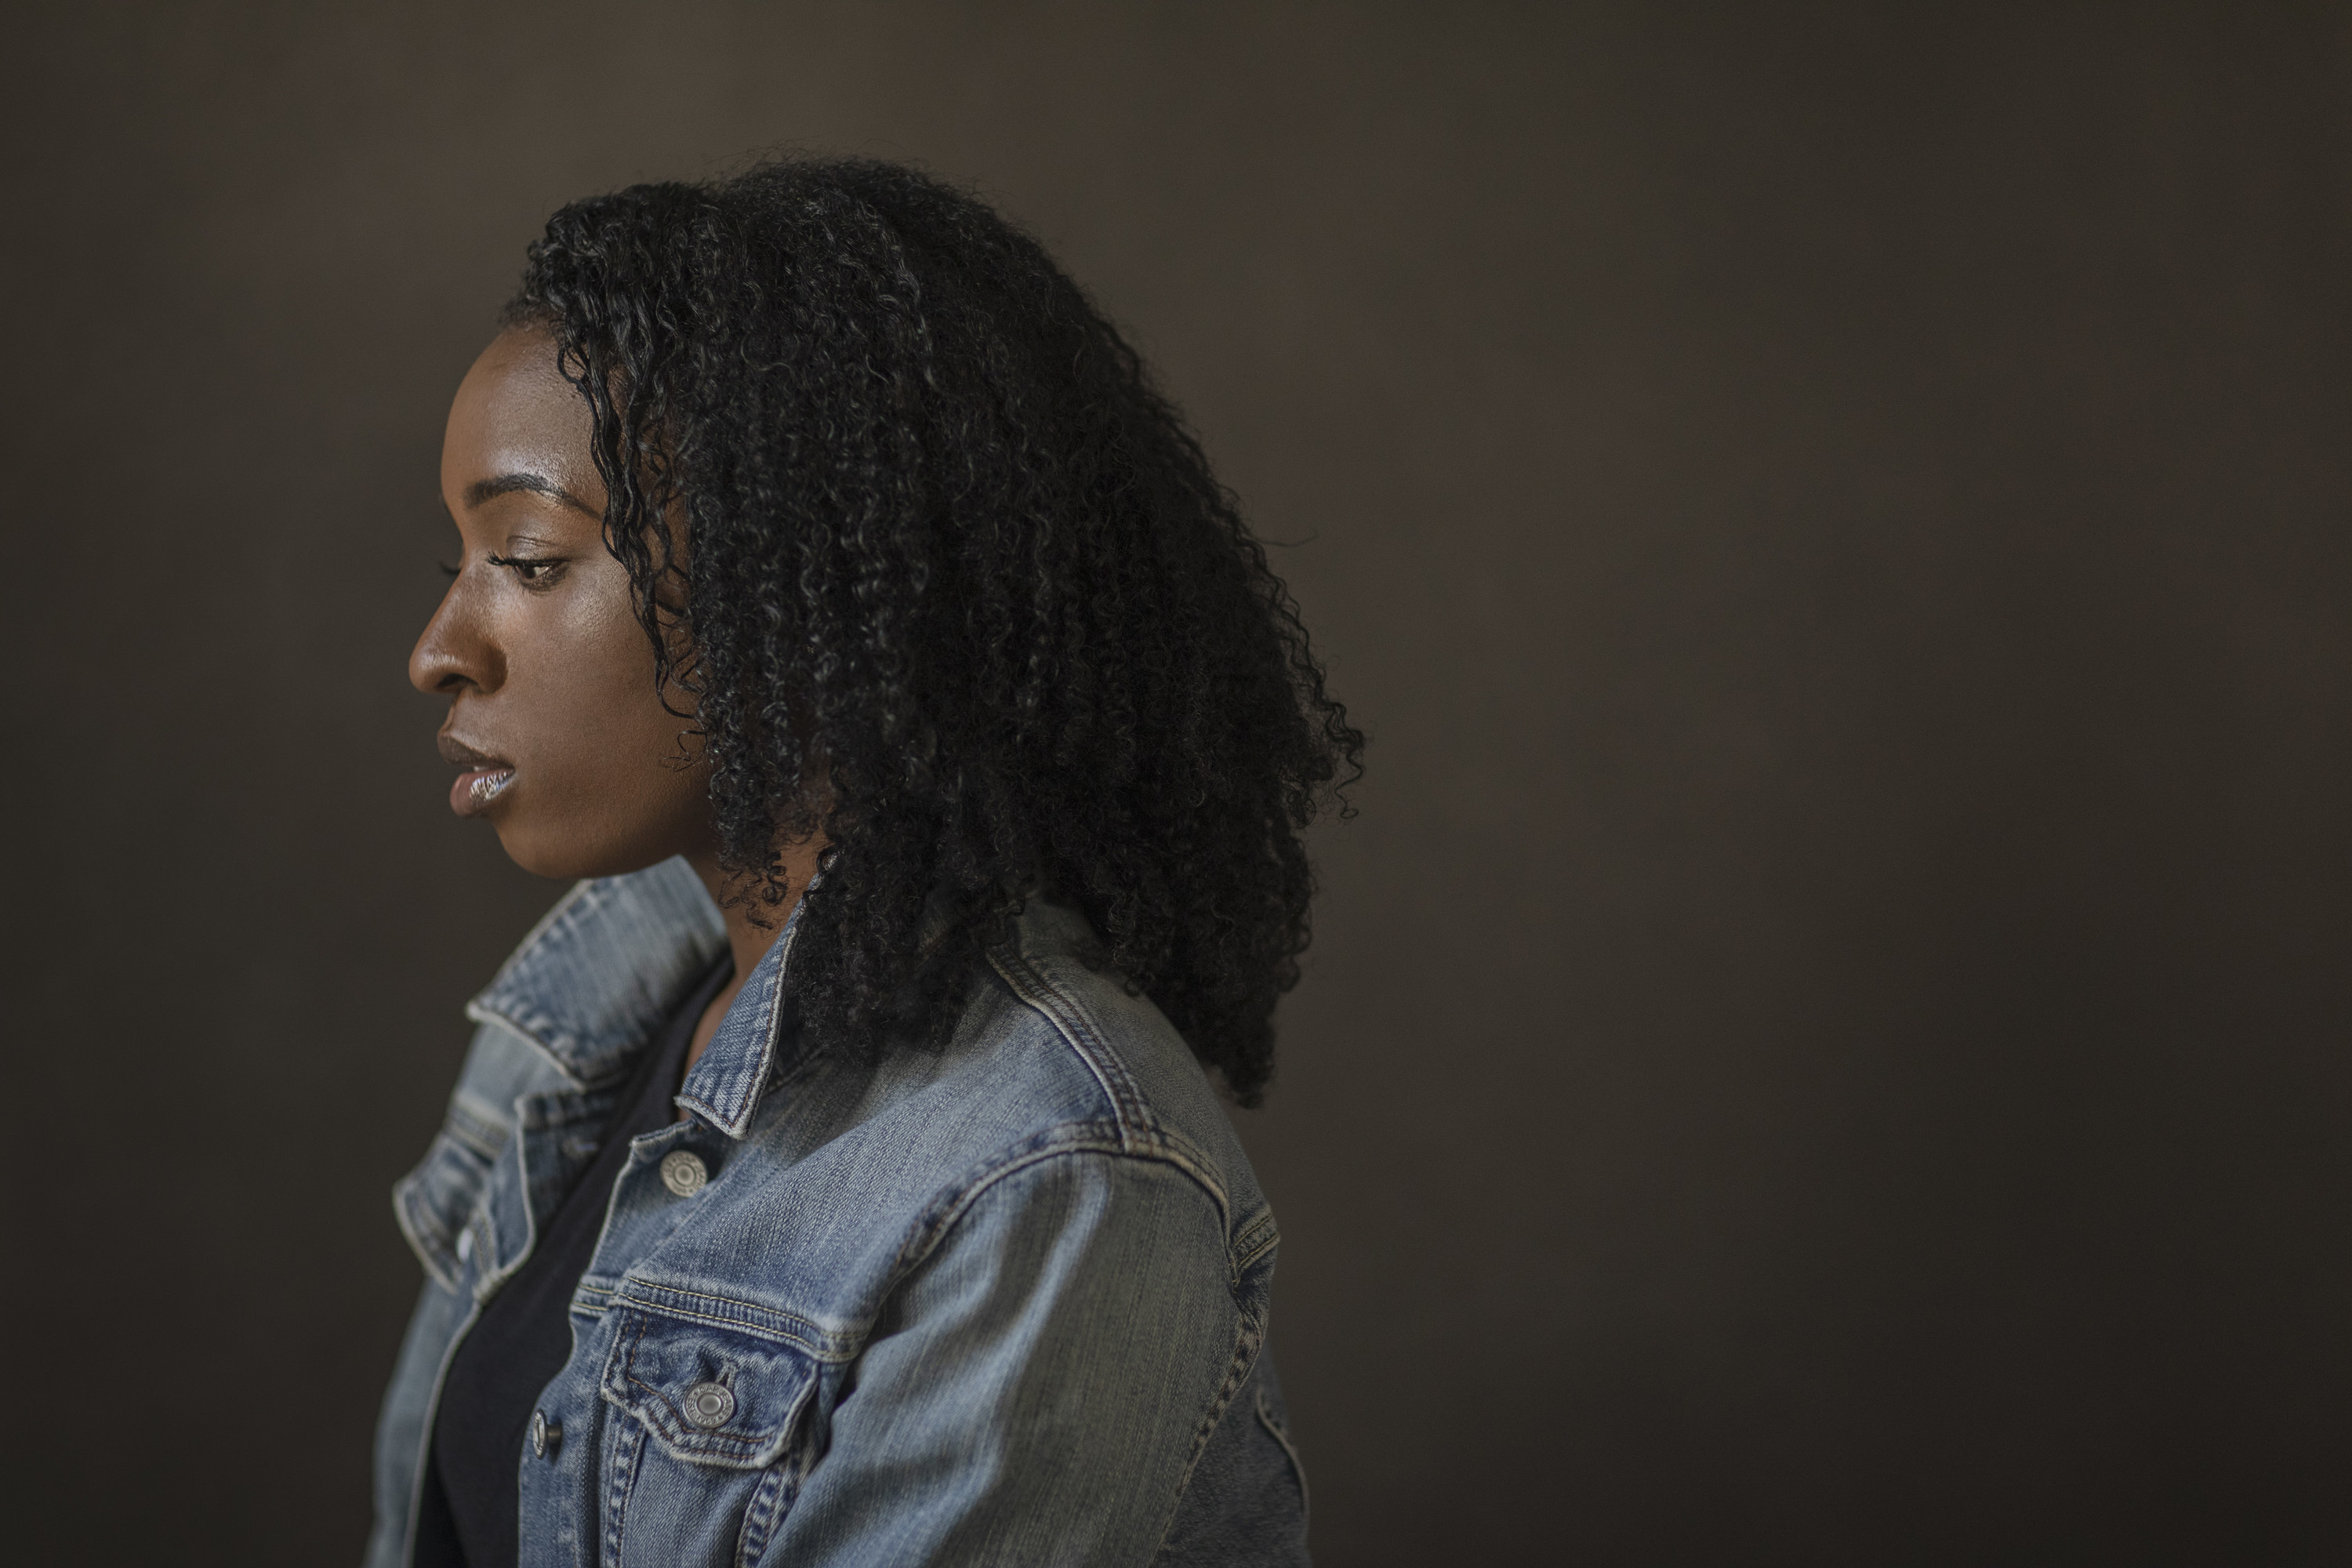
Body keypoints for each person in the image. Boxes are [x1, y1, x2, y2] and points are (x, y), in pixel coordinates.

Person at [367, 156, 1359, 1568]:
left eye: (525, 559)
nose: (438, 648)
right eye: (458, 560)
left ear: (804, 580)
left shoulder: (1048, 1168)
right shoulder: (567, 1042)